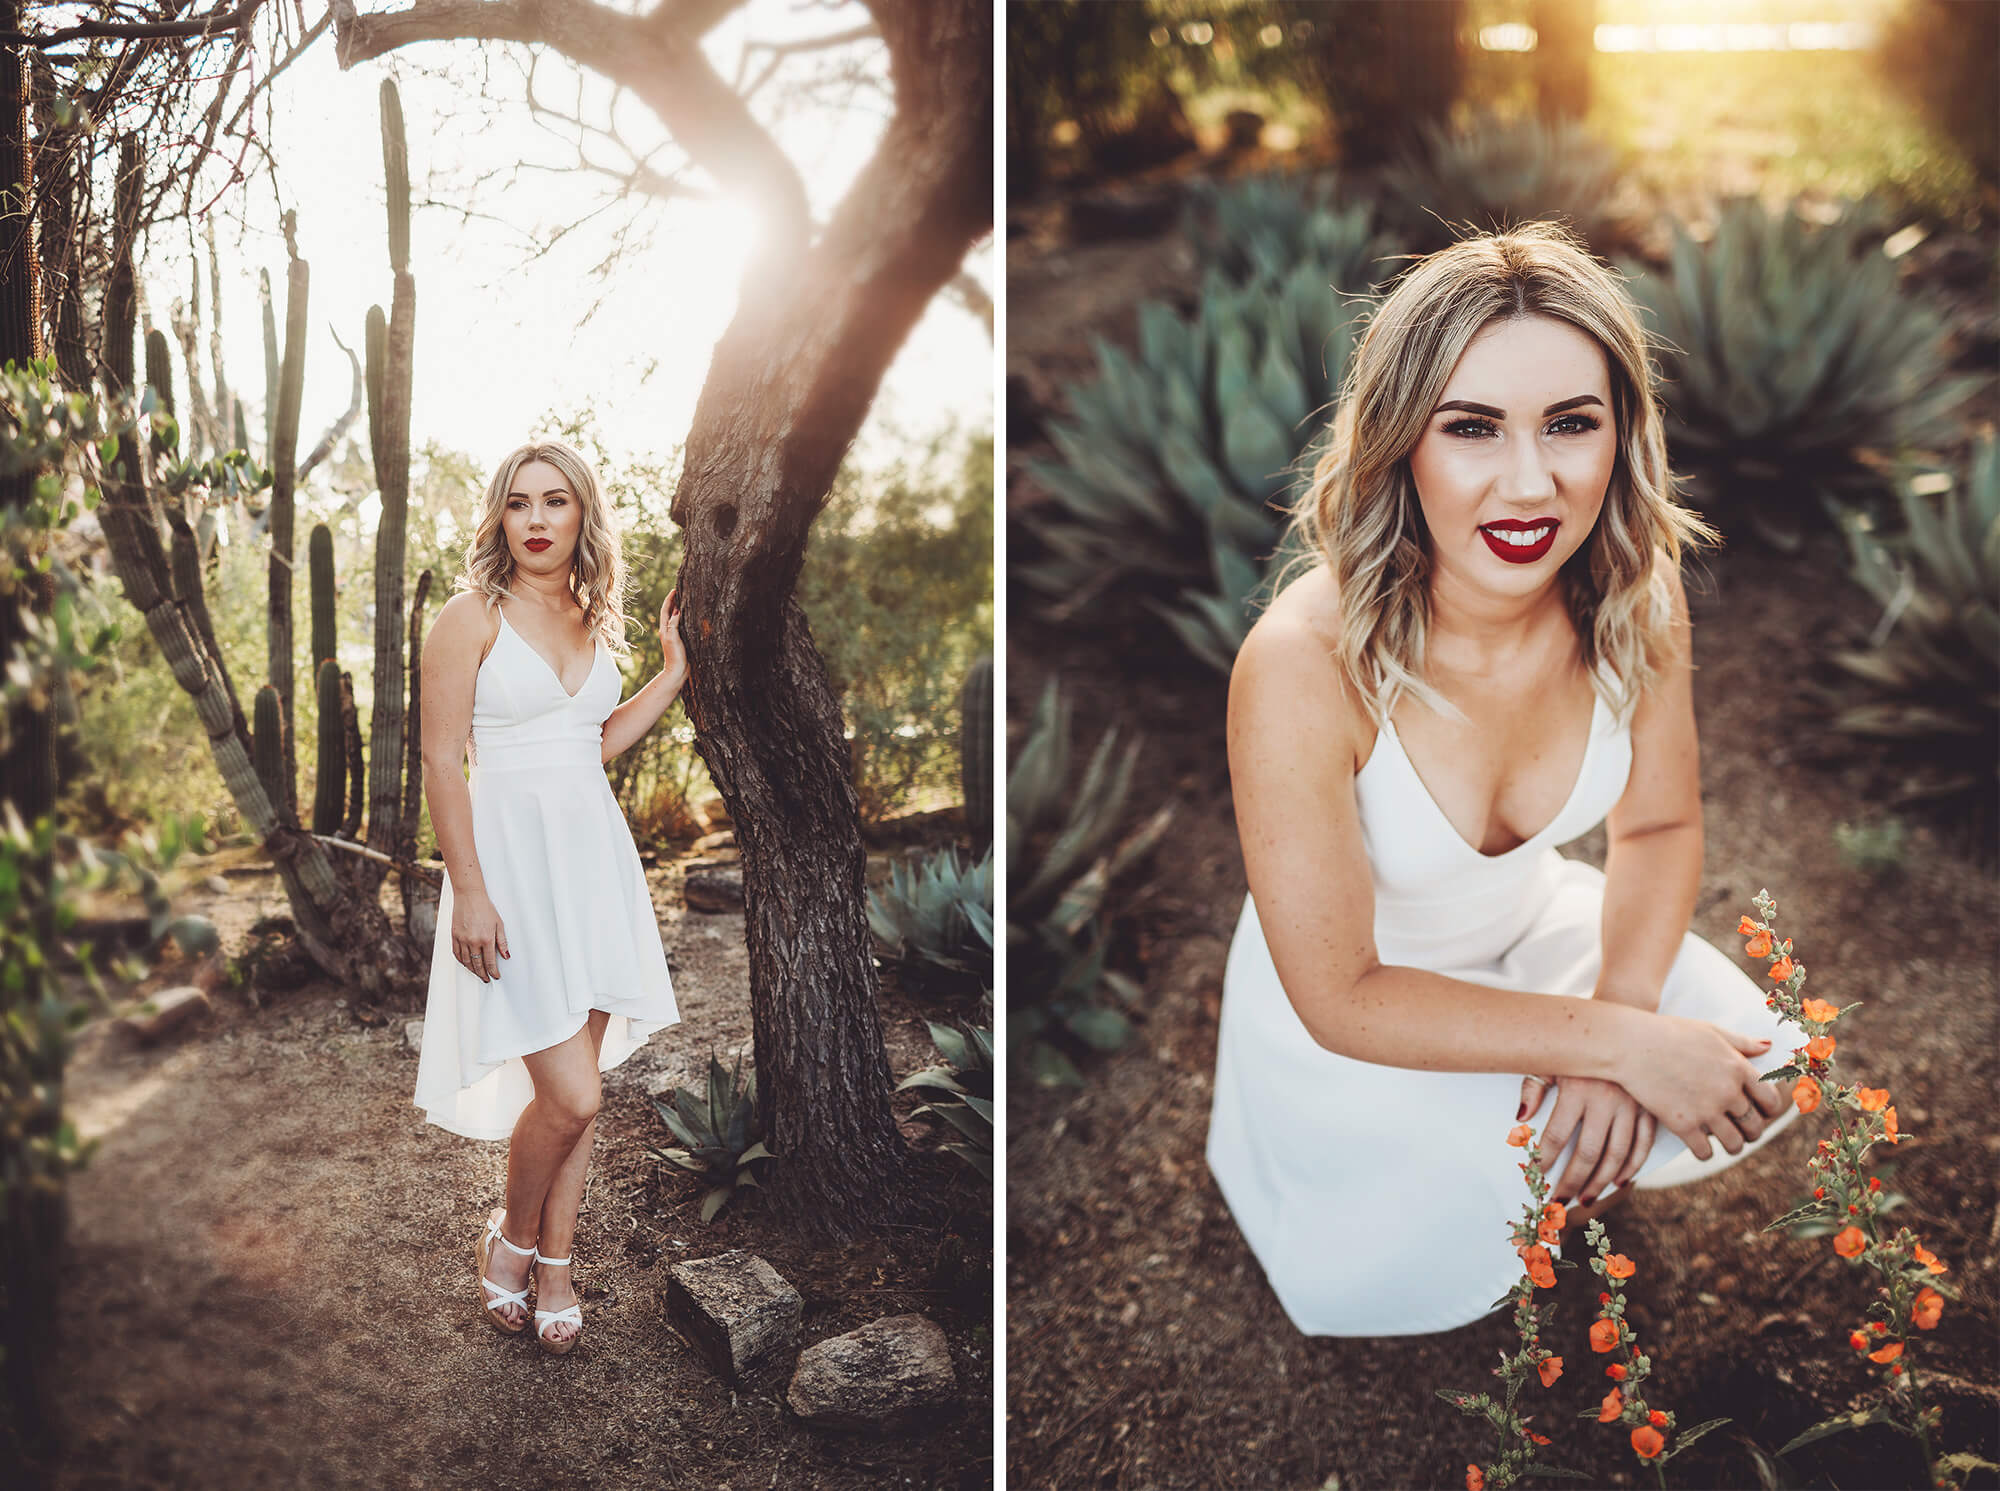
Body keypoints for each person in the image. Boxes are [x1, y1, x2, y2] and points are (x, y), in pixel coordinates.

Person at [1205, 223, 1801, 1337]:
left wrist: (1617, 1017)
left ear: (1619, 432)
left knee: (1762, 1052)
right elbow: (1341, 995)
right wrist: (1624, 1050)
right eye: (1470, 427)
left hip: (1538, 938)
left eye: (1569, 424)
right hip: (1368, 1014)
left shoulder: (1633, 587)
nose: (1530, 484)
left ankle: (1565, 1142)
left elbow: (1661, 824)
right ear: (1399, 444)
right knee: (1377, 1276)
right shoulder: (1300, 664)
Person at [413, 436, 688, 1354]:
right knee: (570, 1095)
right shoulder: (469, 616)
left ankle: (558, 1264)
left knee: (589, 1092)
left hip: (594, 868)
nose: (536, 520)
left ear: (582, 516)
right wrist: (471, 892)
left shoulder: (588, 613)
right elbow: (440, 763)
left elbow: (592, 742)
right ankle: (514, 1238)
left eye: (555, 502)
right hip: (511, 876)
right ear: (500, 514)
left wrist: (673, 674)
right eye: (520, 502)